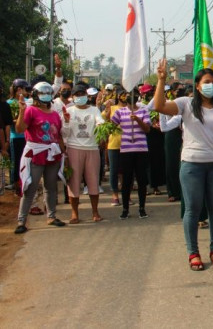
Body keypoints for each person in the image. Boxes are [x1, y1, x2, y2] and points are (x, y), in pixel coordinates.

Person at [153, 60, 213, 272]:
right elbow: (160, 106)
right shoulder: (186, 104)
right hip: (192, 165)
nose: (211, 85)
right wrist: (161, 81)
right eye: (207, 82)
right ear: (197, 85)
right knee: (193, 209)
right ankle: (193, 252)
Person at [14, 82, 67, 234]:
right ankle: (21, 221)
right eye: (42, 92)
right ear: (36, 95)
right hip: (36, 153)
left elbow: (58, 135)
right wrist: (21, 112)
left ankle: (51, 216)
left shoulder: (55, 114)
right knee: (30, 187)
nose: (46, 95)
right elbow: (20, 128)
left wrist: (63, 153)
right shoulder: (30, 110)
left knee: (50, 187)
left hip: (52, 153)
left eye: (48, 92)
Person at [62, 84, 105, 223]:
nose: (80, 97)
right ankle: (74, 213)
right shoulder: (68, 111)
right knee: (73, 182)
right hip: (74, 148)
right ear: (73, 97)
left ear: (87, 96)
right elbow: (64, 133)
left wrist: (101, 126)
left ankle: (95, 212)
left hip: (92, 148)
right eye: (77, 95)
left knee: (93, 181)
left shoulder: (94, 110)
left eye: (82, 94)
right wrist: (67, 122)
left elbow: (100, 122)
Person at [111, 88, 151, 220]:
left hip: (141, 150)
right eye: (128, 95)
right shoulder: (120, 112)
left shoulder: (143, 111)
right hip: (126, 150)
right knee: (126, 180)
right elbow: (111, 125)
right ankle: (125, 208)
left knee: (141, 180)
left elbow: (147, 129)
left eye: (134, 95)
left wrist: (138, 120)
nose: (131, 97)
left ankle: (142, 208)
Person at [160, 87, 185, 202]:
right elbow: (164, 126)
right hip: (172, 134)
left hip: (184, 136)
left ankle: (181, 191)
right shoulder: (170, 104)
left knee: (182, 164)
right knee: (171, 163)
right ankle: (172, 191)